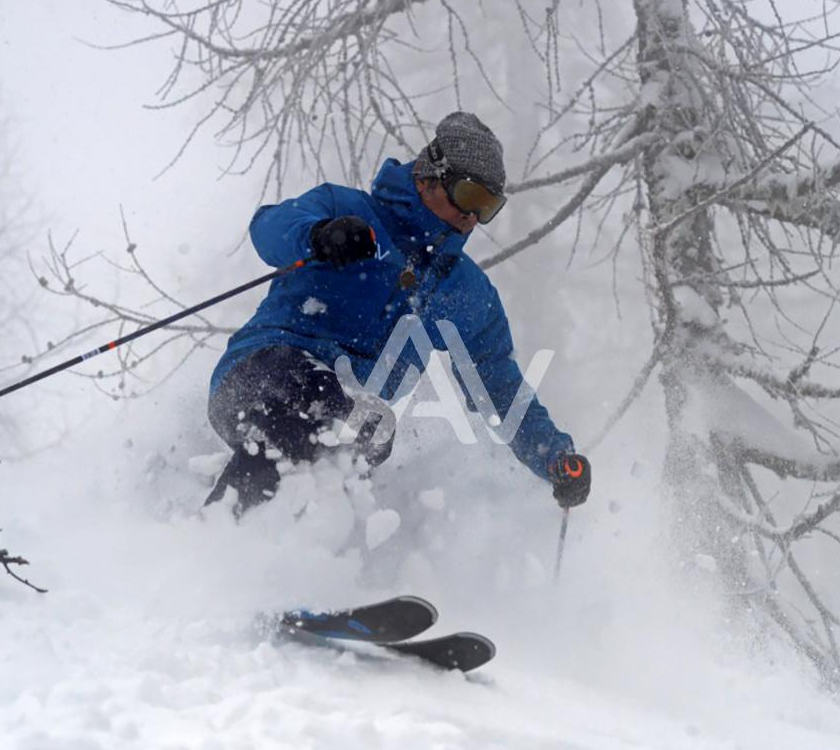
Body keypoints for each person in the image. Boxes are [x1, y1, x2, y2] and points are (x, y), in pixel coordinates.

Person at [204, 111, 591, 517]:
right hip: (260, 372)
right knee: (319, 400)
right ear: (429, 177)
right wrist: (318, 234)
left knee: (373, 432)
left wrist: (555, 457)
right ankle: (217, 537)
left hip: (350, 411)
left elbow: (501, 387)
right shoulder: (348, 209)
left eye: (488, 206)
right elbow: (268, 227)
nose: (473, 217)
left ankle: (308, 558)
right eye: (471, 195)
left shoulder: (462, 292)